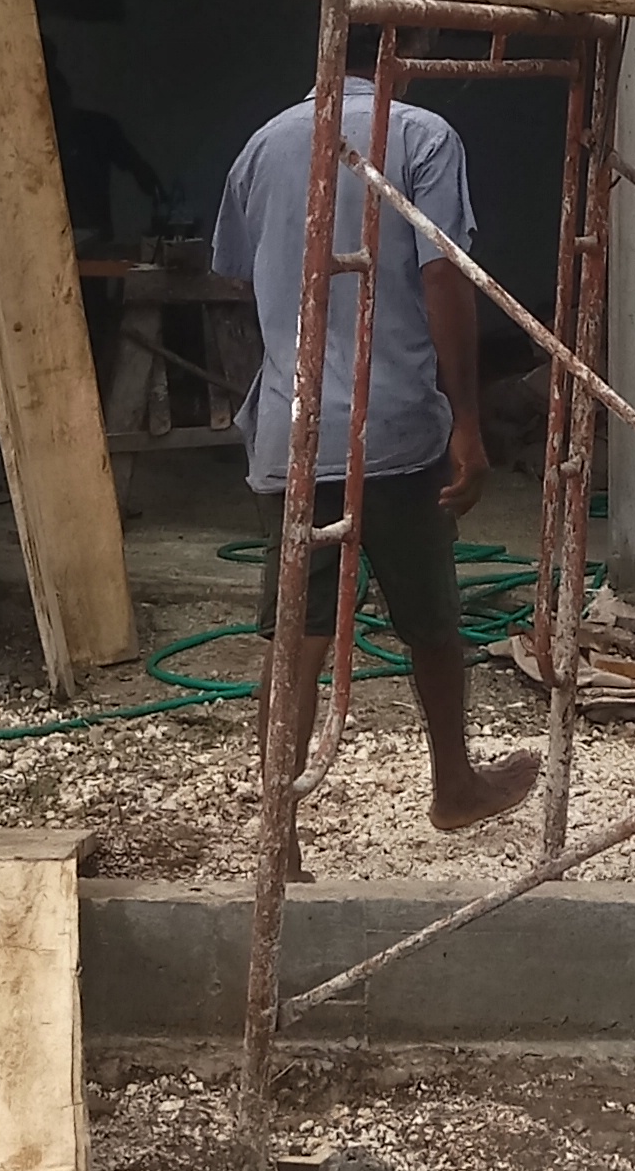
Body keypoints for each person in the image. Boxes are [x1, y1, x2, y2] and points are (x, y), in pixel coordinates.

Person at [211, 60, 538, 854]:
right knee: (430, 618)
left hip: (293, 430)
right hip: (391, 426)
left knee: (299, 636)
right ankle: (454, 783)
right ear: (407, 48)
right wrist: (469, 419)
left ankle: (279, 836)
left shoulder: (262, 146)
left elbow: (232, 274)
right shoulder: (422, 135)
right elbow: (445, 280)